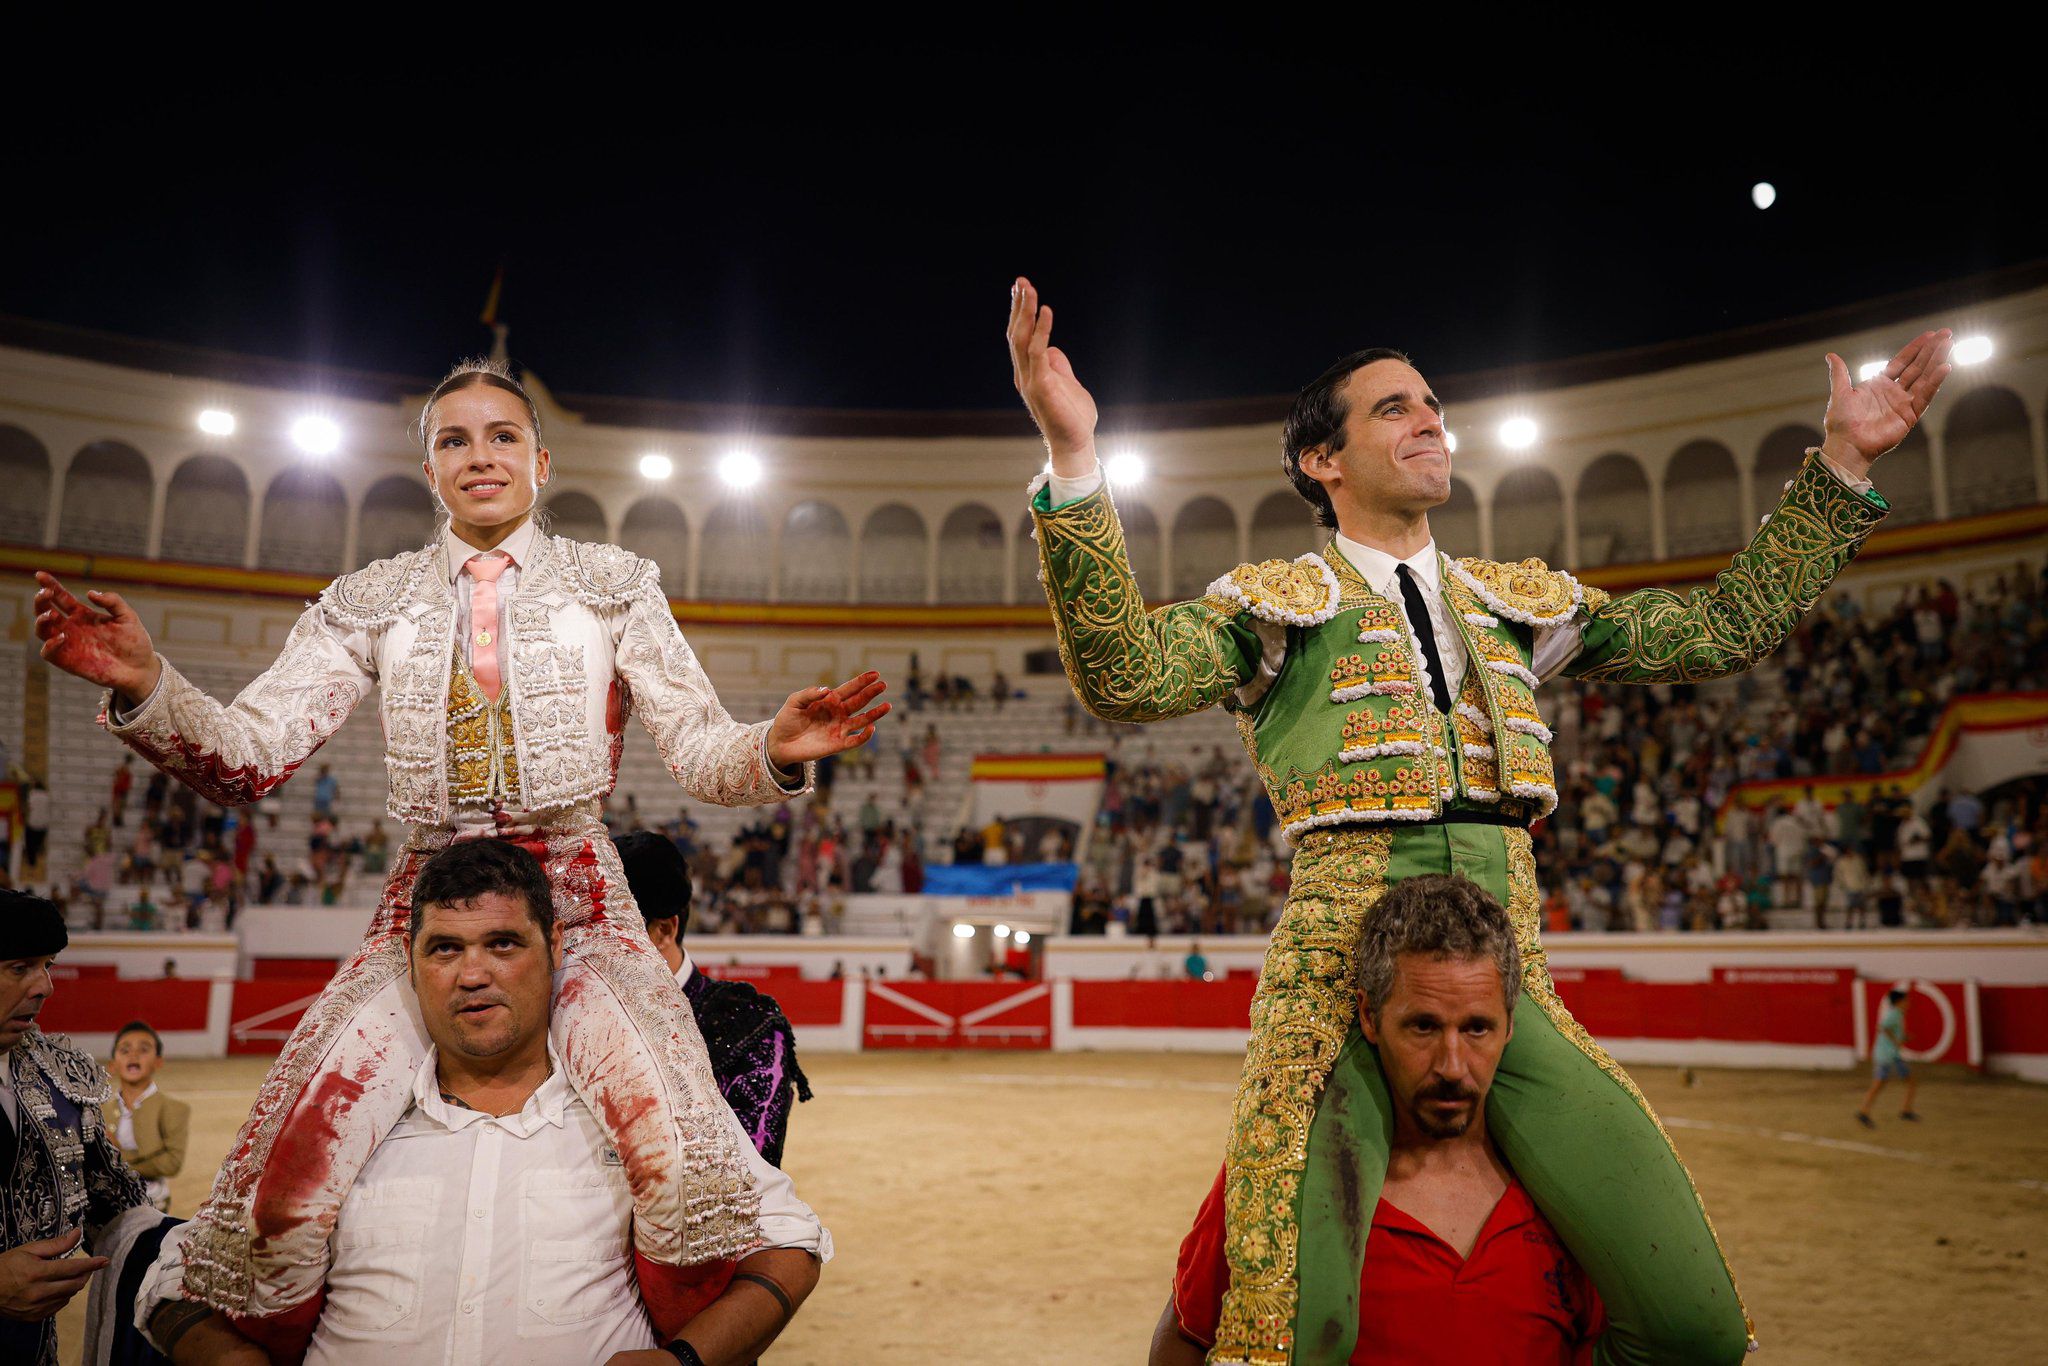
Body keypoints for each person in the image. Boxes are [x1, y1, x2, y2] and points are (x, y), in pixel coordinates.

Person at [1010, 276, 1954, 1362]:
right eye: (1394, 408)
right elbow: (1123, 673)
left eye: (1433, 404)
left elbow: (1719, 628)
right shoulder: (1269, 607)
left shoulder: (1515, 603)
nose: (1430, 421)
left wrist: (1840, 470)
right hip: (1335, 991)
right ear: (1323, 460)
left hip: (1507, 978)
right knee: (1289, 1332)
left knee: (1693, 1328)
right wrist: (1072, 460)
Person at [34, 358, 886, 1351]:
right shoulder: (371, 598)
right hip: (427, 898)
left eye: (501, 436)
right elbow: (251, 753)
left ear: (540, 459)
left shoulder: (614, 583)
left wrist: (770, 749)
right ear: (428, 469)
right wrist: (149, 685)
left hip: (576, 893)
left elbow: (698, 747)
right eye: (453, 439)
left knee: (680, 1145)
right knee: (294, 1147)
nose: (479, 455)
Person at [139, 838, 827, 1365]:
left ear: (555, 947)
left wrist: (684, 1360)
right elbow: (171, 1284)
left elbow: (792, 1244)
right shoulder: (344, 1117)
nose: (473, 974)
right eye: (444, 949)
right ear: (410, 962)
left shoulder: (633, 1110)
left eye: (503, 944)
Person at [1157, 876, 1603, 1364]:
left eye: (1477, 1028)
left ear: (1511, 1025)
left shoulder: (1569, 1191)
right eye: (1423, 1027)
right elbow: (1184, 1341)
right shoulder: (1279, 1166)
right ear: (1370, 1017)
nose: (1452, 1067)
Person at [0, 888, 168, 1366]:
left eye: (47, 965)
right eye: (20, 967)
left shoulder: (61, 1073)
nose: (44, 986)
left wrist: (187, 1248)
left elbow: (116, 1206)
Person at [615, 830, 811, 1166]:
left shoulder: (748, 1027)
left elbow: (747, 1174)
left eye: (612, 933)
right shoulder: (564, 1015)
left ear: (664, 930)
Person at [103, 1020, 191, 1213]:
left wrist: (118, 1156)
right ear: (112, 1065)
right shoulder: (100, 1110)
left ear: (158, 1062)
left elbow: (171, 1165)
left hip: (152, 1201)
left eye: (143, 1050)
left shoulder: (175, 1109)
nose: (133, 1055)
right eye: (125, 1050)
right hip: (106, 1199)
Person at [1858, 986, 1921, 1127]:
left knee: (1886, 1084)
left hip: (1889, 1055)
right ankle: (1864, 1112)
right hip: (1887, 1056)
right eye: (1906, 1000)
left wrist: (1903, 1038)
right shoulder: (1895, 1014)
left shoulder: (1896, 1013)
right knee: (1883, 1084)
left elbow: (1887, 1029)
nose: (1908, 1003)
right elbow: (1882, 1027)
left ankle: (1904, 1110)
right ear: (1899, 1002)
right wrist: (1896, 1041)